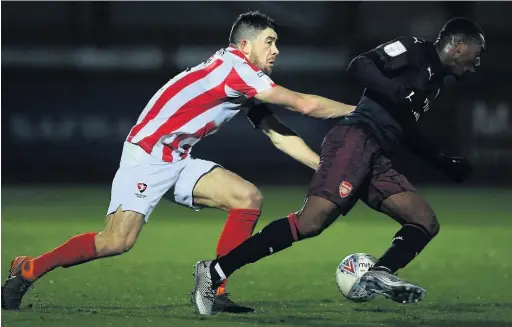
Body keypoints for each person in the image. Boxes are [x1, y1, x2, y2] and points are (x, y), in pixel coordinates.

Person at [1, 11, 355, 313]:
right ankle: (28, 268)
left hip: (177, 158)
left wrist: (325, 168)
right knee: (116, 242)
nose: (276, 50)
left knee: (248, 198)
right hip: (147, 156)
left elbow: (277, 134)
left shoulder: (240, 76)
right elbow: (305, 105)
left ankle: (213, 286)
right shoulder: (238, 68)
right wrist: (360, 111)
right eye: (270, 42)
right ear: (245, 45)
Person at [191, 17, 484, 315]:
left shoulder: (434, 83)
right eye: (477, 52)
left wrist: (442, 161)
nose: (477, 63)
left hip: (377, 154)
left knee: (424, 220)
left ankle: (379, 273)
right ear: (459, 47)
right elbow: (360, 65)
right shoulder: (415, 50)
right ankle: (214, 271)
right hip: (354, 140)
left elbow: (407, 129)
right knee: (310, 222)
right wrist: (396, 93)